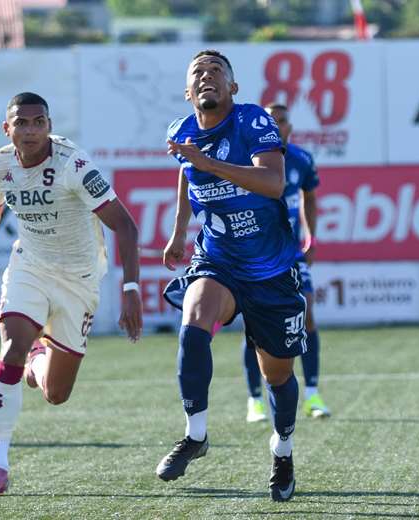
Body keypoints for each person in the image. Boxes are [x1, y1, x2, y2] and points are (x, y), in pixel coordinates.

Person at [0, 92, 142, 497]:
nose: (31, 130)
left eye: (39, 122)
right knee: (11, 347)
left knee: (56, 395)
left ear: (49, 125)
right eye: (22, 123)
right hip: (29, 266)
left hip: (80, 279)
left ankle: (38, 358)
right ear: (7, 128)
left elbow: (126, 226)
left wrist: (131, 288)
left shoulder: (75, 165)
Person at [156, 50, 306, 502]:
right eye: (197, 73)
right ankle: (196, 435)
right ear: (187, 92)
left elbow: (273, 183)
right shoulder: (180, 132)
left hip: (271, 268)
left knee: (277, 375)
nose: (207, 77)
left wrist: (209, 165)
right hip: (217, 260)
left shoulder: (253, 121)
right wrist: (180, 229)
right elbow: (187, 174)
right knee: (195, 320)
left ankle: (282, 450)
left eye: (216, 71)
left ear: (232, 88)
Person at [241, 103, 329, 424]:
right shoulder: (247, 157)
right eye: (271, 120)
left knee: (306, 311)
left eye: (282, 120)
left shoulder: (301, 160)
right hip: (257, 255)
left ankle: (313, 394)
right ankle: (255, 400)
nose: (277, 125)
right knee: (254, 326)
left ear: (290, 127)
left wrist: (311, 237)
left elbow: (310, 196)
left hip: (290, 252)